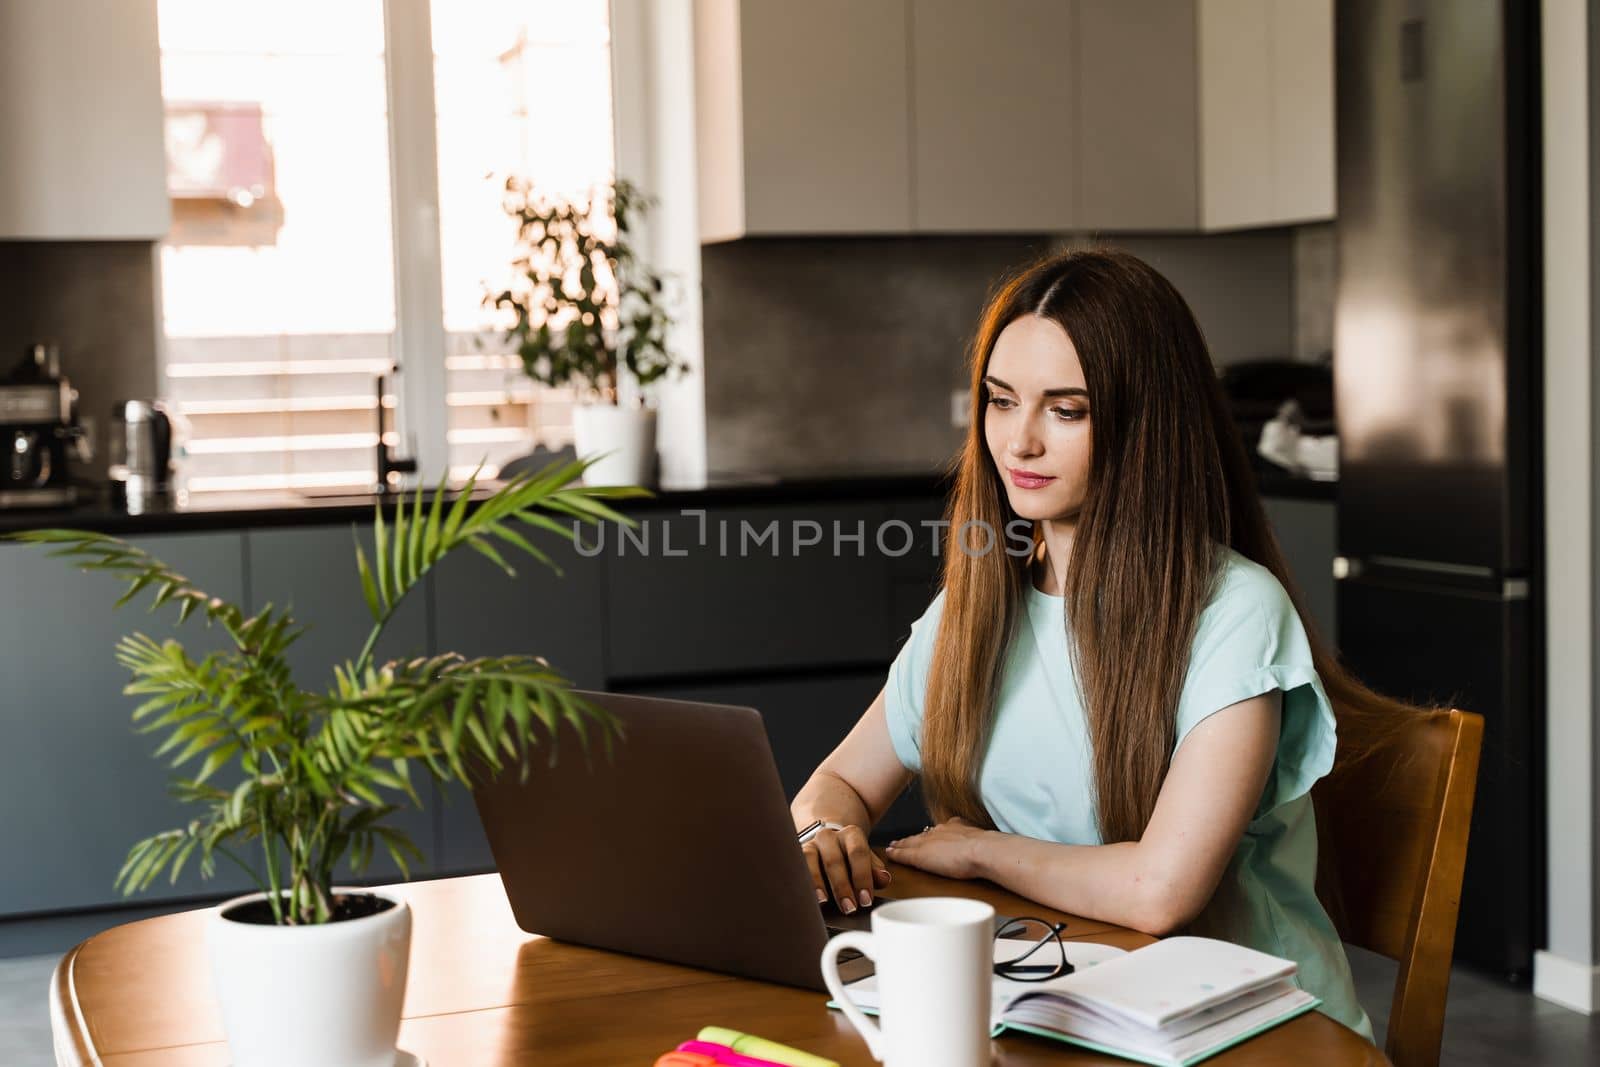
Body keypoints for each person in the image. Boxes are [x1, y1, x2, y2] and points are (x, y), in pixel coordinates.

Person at [791, 248, 1425, 1041]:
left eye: (1067, 410)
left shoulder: (1234, 613)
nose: (1018, 441)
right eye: (999, 400)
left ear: (1145, 424)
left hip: (1247, 1034)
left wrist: (981, 850)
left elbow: (1160, 890)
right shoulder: (977, 604)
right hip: (1057, 1001)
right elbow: (838, 781)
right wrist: (822, 831)